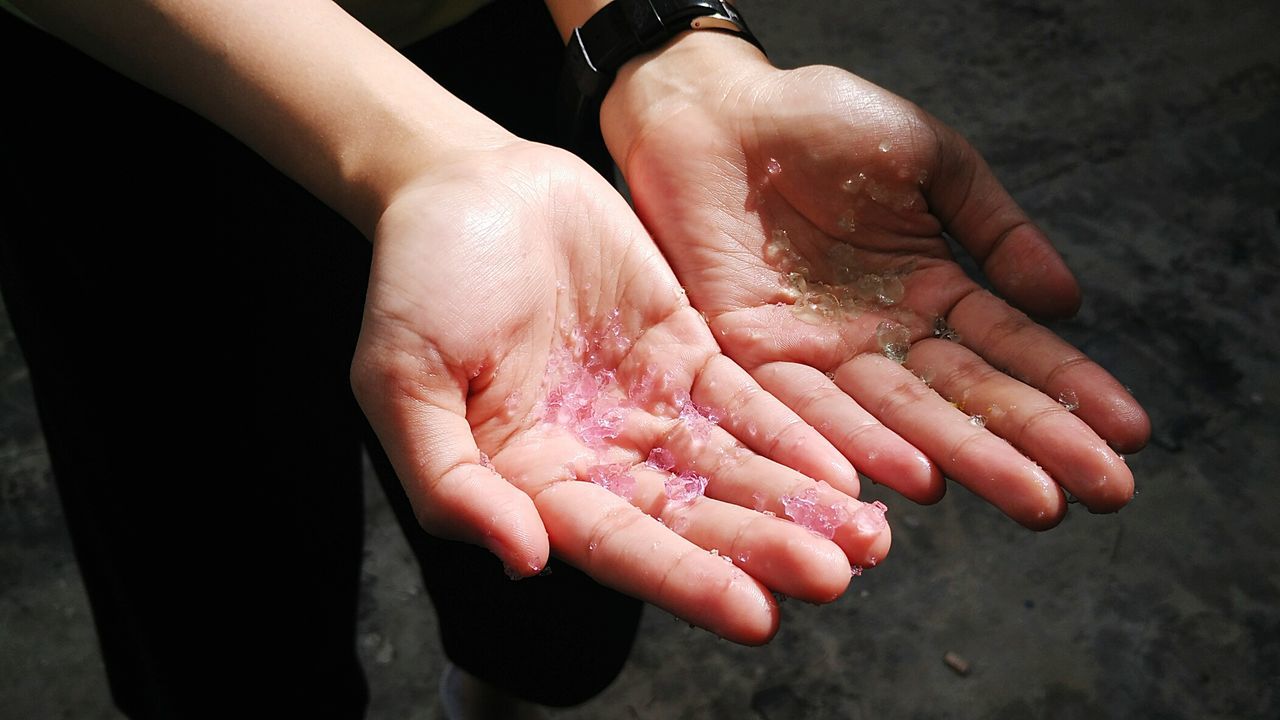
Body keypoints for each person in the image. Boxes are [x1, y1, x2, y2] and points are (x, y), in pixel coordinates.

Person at [0, 0, 1150, 718]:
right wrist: (435, 159)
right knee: (221, 622)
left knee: (557, 584)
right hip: (114, 102)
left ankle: (494, 695)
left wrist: (658, 37)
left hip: (518, 40)